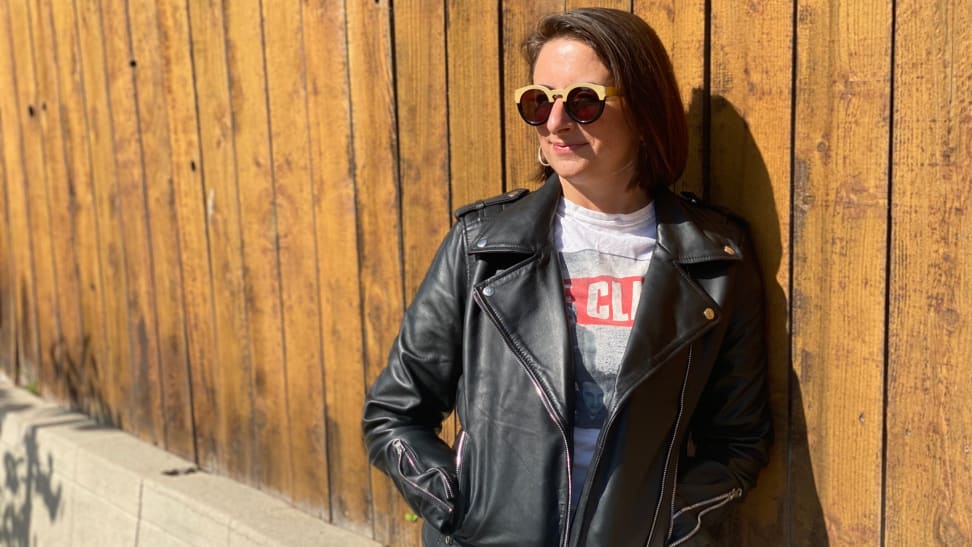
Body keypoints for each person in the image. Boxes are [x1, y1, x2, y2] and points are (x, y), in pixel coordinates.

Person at [362, 8, 772, 547]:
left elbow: (737, 442)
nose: (555, 123)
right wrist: (464, 512)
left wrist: (661, 527)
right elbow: (394, 411)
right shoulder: (482, 248)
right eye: (538, 101)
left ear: (645, 110)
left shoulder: (716, 261)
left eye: (584, 101)